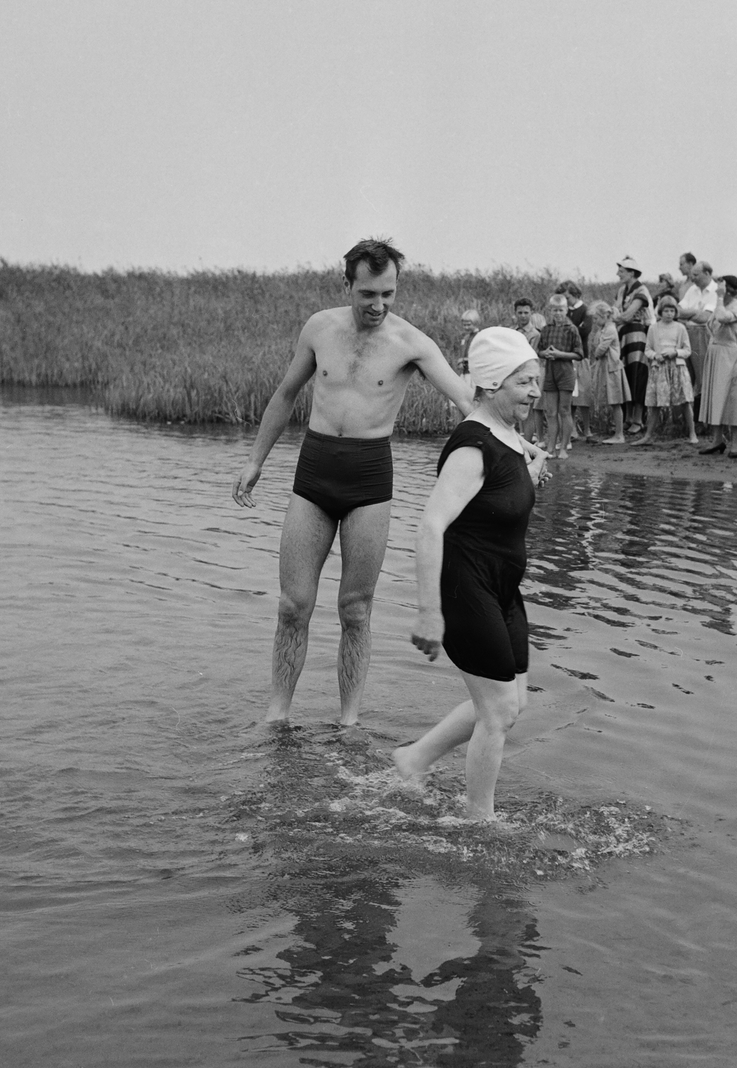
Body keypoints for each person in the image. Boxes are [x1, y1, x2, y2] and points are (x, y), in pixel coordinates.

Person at [232, 237, 475, 725]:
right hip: (314, 472)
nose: (378, 305)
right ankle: (276, 717)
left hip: (368, 480)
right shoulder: (319, 328)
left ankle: (349, 724)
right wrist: (256, 459)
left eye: (388, 294)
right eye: (368, 294)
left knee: (356, 610)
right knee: (291, 606)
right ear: (348, 285)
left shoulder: (412, 343)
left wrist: (520, 448)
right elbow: (285, 394)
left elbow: (468, 404)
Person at [394, 328, 548, 822]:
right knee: (498, 711)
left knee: (511, 702)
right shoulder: (472, 446)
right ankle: (479, 822)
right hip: (464, 589)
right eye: (523, 382)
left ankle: (412, 760)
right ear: (492, 382)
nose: (534, 391)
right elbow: (429, 527)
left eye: (536, 381)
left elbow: (502, 487)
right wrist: (428, 612)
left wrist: (531, 469)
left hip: (502, 589)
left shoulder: (508, 438)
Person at [632, 295, 697, 446]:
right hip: (659, 369)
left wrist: (676, 353)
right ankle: (648, 436)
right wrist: (656, 356)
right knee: (654, 404)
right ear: (660, 311)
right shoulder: (654, 328)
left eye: (672, 311)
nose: (669, 314)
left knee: (685, 401)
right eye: (666, 310)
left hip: (677, 368)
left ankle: (692, 433)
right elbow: (647, 349)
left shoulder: (680, 328)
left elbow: (687, 350)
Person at [697, 275, 737, 459]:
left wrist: (718, 297)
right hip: (714, 353)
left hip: (728, 355)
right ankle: (717, 440)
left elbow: (722, 317)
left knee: (731, 398)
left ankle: (735, 442)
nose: (718, 289)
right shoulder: (719, 303)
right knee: (714, 396)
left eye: (722, 287)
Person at [538, 294, 585, 459]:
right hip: (550, 373)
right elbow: (539, 350)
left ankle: (563, 448)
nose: (558, 313)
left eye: (561, 310)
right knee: (550, 411)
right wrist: (545, 353)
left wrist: (559, 354)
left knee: (564, 410)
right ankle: (551, 447)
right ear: (550, 310)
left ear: (566, 310)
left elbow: (579, 354)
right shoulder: (546, 329)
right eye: (555, 310)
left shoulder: (572, 329)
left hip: (566, 373)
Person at [614, 256, 654, 435]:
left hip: (638, 335)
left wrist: (613, 316)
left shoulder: (641, 291)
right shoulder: (623, 290)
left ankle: (638, 419)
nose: (618, 274)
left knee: (637, 374)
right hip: (624, 335)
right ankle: (629, 417)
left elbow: (626, 315)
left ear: (631, 273)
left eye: (621, 271)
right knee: (626, 376)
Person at [677, 260, 718, 428]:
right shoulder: (691, 290)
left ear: (707, 274)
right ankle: (686, 421)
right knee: (686, 377)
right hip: (687, 334)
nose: (692, 278)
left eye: (696, 275)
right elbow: (677, 312)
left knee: (702, 377)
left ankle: (702, 421)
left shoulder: (715, 291)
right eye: (691, 275)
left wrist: (689, 314)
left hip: (704, 334)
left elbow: (705, 318)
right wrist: (694, 311)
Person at [556, 281, 594, 440]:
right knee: (569, 396)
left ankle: (587, 429)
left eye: (568, 297)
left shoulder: (585, 310)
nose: (566, 301)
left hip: (581, 355)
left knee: (584, 394)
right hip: (566, 357)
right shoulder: (564, 312)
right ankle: (571, 430)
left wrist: (570, 327)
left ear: (575, 294)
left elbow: (584, 331)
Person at [588, 300, 630, 444]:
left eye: (596, 318)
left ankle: (619, 434)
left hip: (612, 368)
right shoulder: (604, 329)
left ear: (604, 316)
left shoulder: (610, 329)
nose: (594, 321)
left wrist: (597, 352)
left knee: (615, 400)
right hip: (606, 367)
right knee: (613, 401)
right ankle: (617, 432)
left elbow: (600, 349)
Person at [512, 297, 543, 443]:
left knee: (528, 410)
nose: (523, 316)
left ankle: (529, 441)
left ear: (531, 313)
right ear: (515, 313)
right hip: (514, 373)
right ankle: (520, 439)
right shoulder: (512, 332)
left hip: (529, 374)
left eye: (526, 312)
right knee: (516, 409)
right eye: (520, 312)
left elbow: (530, 354)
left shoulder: (535, 334)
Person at [455, 308, 482, 383]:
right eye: (464, 325)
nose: (466, 327)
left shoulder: (479, 337)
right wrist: (460, 362)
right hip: (465, 372)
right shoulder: (465, 338)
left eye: (469, 325)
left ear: (475, 323)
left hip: (475, 373)